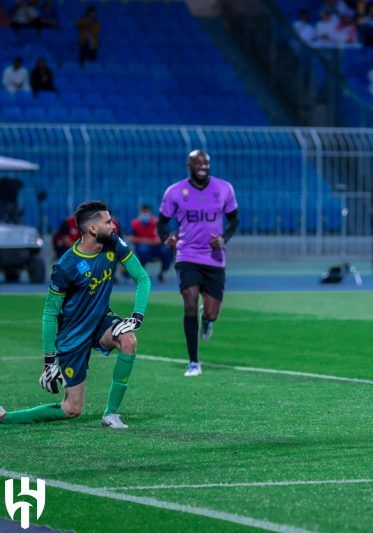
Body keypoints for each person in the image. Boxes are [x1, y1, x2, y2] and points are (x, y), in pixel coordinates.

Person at [0, 200, 151, 429]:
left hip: (101, 321)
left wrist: (136, 317)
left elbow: (142, 278)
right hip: (73, 334)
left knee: (129, 340)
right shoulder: (66, 266)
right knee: (72, 409)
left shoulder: (115, 244)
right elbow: (50, 314)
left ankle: (111, 414)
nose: (113, 226)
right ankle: (6, 418)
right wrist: (49, 360)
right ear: (92, 229)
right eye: (108, 221)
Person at [158, 150, 239, 377]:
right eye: (198, 162)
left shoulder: (224, 188)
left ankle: (207, 319)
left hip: (214, 258)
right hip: (187, 255)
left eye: (206, 162)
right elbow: (161, 223)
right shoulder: (175, 192)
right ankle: (194, 362)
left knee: (212, 312)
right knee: (190, 301)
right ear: (189, 165)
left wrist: (224, 238)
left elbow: (234, 220)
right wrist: (167, 239)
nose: (203, 165)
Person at [130, 204, 173, 282]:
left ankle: (162, 273)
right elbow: (130, 238)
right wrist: (146, 240)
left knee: (167, 250)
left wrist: (148, 240)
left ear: (150, 213)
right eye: (143, 211)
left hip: (157, 248)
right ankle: (140, 274)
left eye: (147, 212)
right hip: (144, 249)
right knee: (143, 249)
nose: (145, 214)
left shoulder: (157, 222)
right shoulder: (135, 223)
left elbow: (163, 238)